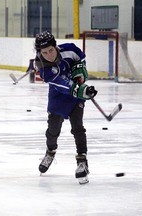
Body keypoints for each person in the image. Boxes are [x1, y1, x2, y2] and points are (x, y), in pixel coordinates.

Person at [34, 31, 97, 183]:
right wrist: (82, 90)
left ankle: (82, 161)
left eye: (51, 50)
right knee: (53, 129)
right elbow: (63, 85)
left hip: (76, 97)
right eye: (44, 52)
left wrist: (80, 71)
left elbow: (79, 58)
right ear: (39, 52)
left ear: (56, 46)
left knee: (78, 127)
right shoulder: (44, 67)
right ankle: (50, 152)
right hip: (58, 97)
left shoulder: (69, 49)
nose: (48, 54)